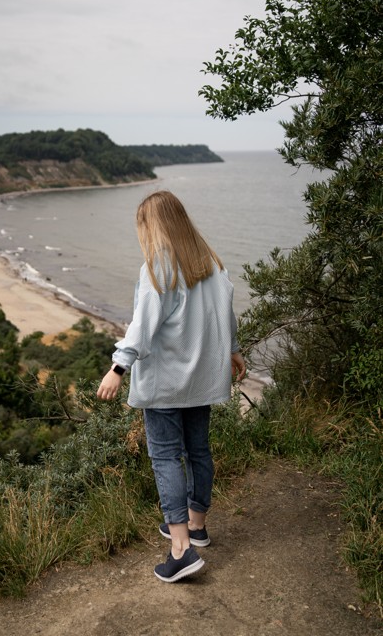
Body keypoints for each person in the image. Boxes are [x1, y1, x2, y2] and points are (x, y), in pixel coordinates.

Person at [97, 190, 246, 583]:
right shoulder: (211, 264)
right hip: (202, 379)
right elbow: (226, 317)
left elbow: (142, 327)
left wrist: (118, 367)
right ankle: (196, 525)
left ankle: (181, 549)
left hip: (166, 384)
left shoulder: (158, 267)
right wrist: (234, 351)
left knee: (165, 457)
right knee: (198, 451)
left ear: (154, 227)